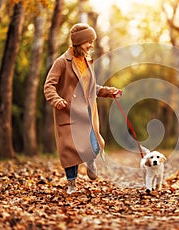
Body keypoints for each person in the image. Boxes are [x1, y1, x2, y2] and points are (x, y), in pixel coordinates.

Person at [44, 23, 122, 194]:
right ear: (79, 42)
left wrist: (110, 92)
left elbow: (91, 87)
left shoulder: (87, 62)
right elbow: (49, 85)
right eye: (89, 42)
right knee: (70, 151)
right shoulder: (62, 62)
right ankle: (72, 184)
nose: (91, 46)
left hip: (87, 111)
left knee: (94, 145)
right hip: (69, 112)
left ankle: (90, 160)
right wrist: (56, 100)